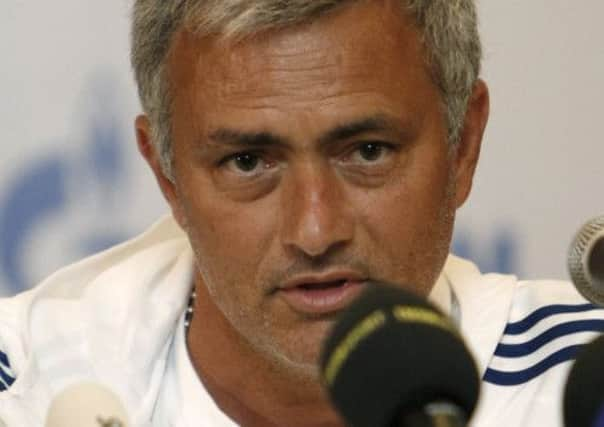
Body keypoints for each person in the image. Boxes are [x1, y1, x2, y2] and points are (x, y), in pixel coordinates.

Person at [0, 0, 602, 426]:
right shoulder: (20, 386)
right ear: (167, 174)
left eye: (368, 152)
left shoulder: (582, 381)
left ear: (463, 143)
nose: (315, 232)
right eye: (247, 162)